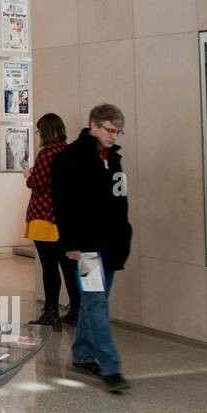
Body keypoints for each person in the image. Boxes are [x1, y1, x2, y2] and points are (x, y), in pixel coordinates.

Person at [52, 104, 133, 393]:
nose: (114, 136)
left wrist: (124, 236)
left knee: (92, 302)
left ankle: (82, 355)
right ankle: (111, 367)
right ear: (94, 126)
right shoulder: (69, 159)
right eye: (110, 130)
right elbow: (63, 206)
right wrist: (72, 244)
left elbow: (120, 202)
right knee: (97, 302)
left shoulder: (114, 159)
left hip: (112, 245)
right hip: (87, 249)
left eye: (118, 131)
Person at [23, 113, 77, 326]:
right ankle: (76, 310)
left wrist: (29, 175)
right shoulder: (70, 151)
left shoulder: (47, 153)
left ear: (45, 132)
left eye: (39, 131)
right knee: (69, 267)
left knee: (50, 267)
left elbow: (39, 183)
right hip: (67, 220)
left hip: (45, 217)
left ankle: (51, 312)